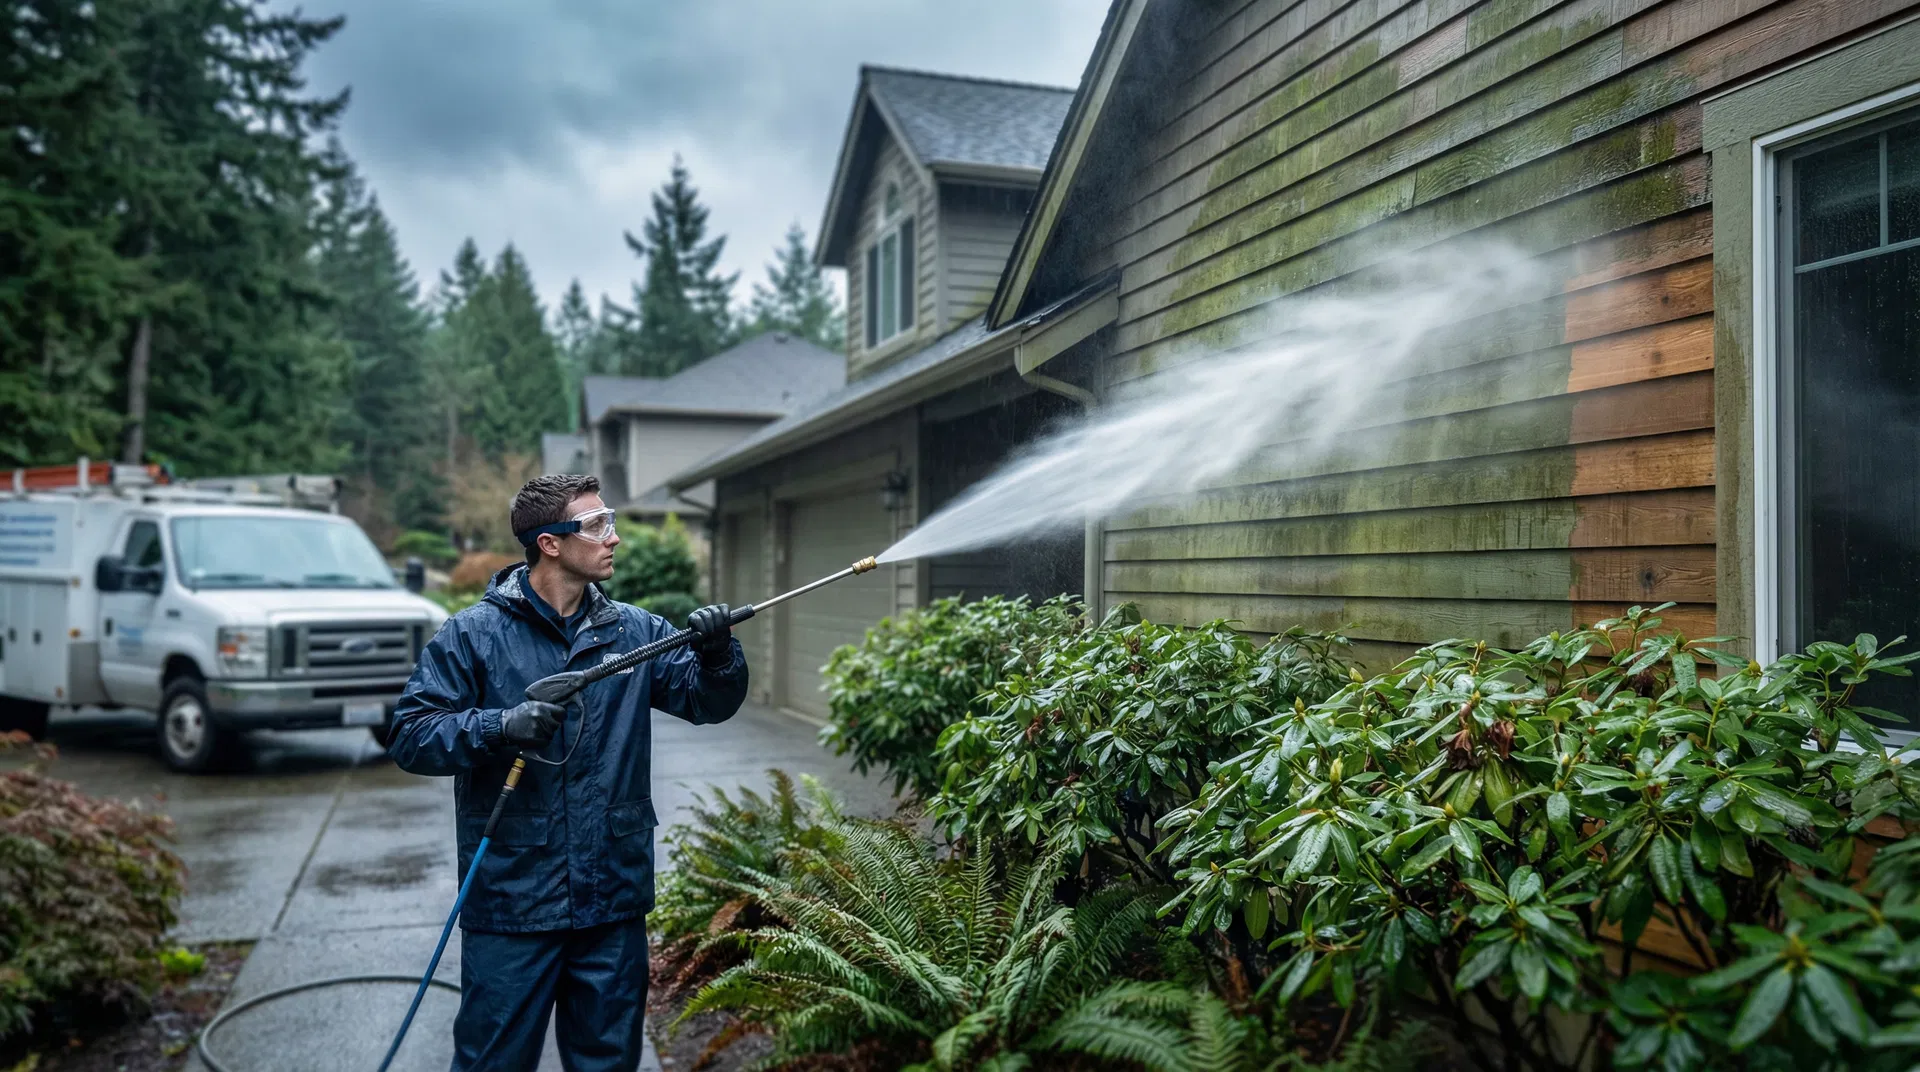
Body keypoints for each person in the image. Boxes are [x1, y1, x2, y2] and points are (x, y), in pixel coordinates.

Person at [388, 473, 747, 1071]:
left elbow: (707, 703)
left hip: (611, 898)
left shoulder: (635, 632)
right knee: (492, 1062)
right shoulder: (473, 636)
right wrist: (499, 727)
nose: (613, 537)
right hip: (512, 901)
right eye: (596, 524)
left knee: (606, 1061)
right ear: (550, 543)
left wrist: (717, 656)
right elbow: (410, 736)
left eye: (610, 521)